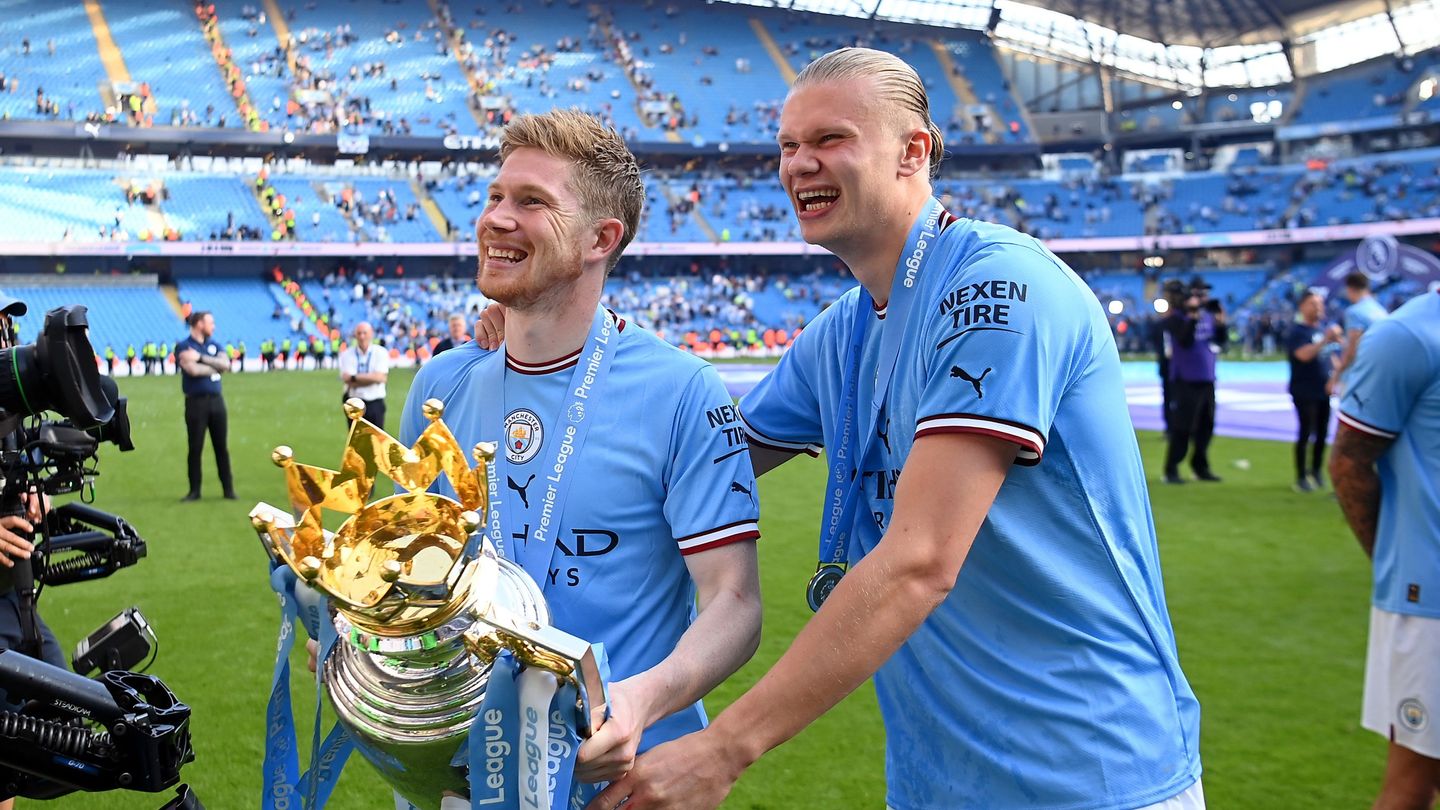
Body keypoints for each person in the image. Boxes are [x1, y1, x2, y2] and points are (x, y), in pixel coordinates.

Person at [588, 48, 1201, 810]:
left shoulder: (1000, 290)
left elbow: (920, 560)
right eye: (787, 146)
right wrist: (559, 340)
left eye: (830, 140)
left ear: (916, 150)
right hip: (936, 780)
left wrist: (723, 748)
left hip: (1089, 773)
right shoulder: (841, 333)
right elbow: (701, 459)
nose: (799, 165)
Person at [401, 109, 761, 797]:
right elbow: (412, 577)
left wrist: (643, 700)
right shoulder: (440, 385)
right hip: (473, 778)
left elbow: (735, 602)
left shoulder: (681, 391)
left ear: (601, 237)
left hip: (628, 780)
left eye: (532, 202)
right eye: (495, 197)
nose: (497, 218)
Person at [1329, 288, 1440, 809]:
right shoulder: (1407, 336)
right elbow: (1349, 461)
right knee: (1412, 784)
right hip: (1429, 602)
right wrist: (1395, 564)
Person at [1161, 276, 1226, 484]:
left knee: (1207, 425)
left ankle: (1200, 466)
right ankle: (1171, 468)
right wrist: (1192, 315)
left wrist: (1222, 323)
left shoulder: (1208, 316)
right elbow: (1185, 340)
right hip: (1185, 378)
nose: (1203, 297)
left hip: (1207, 376)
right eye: (1199, 293)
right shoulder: (1176, 317)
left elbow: (1220, 340)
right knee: (1183, 426)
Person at [1286, 291, 1343, 493]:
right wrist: (1324, 341)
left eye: (1320, 304)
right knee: (1305, 431)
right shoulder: (1297, 332)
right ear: (1302, 306)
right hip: (1304, 389)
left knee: (1322, 432)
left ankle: (1316, 470)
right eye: (1313, 303)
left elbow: (1333, 358)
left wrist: (1336, 379)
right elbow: (1303, 355)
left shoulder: (1321, 330)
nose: (1318, 308)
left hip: (1323, 390)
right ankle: (1301, 475)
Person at [177, 311, 235, 501]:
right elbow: (192, 370)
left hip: (217, 401)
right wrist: (215, 367)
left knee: (221, 447)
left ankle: (228, 490)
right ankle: (194, 491)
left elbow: (225, 365)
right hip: (196, 403)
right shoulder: (183, 346)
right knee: (195, 447)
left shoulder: (214, 345)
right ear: (199, 324)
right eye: (211, 322)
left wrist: (201, 358)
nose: (214, 326)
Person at [1331, 271, 1388, 394]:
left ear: (1349, 289)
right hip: (1379, 371)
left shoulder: (1354, 312)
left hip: (1358, 375)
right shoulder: (1380, 310)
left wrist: (1338, 373)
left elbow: (1353, 348)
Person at [338, 321, 389, 429]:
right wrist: (371, 378)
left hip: (375, 403)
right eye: (359, 333)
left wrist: (354, 378)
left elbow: (380, 377)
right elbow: (347, 380)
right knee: (356, 443)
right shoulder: (347, 354)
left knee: (376, 442)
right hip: (354, 402)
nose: (362, 336)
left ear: (371, 334)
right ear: (355, 335)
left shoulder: (381, 352)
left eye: (365, 333)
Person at [1155, 279, 1188, 438]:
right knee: (1169, 397)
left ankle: (1179, 428)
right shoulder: (1164, 322)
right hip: (1168, 364)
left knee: (1180, 398)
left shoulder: (1180, 318)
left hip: (1181, 365)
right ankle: (1170, 428)